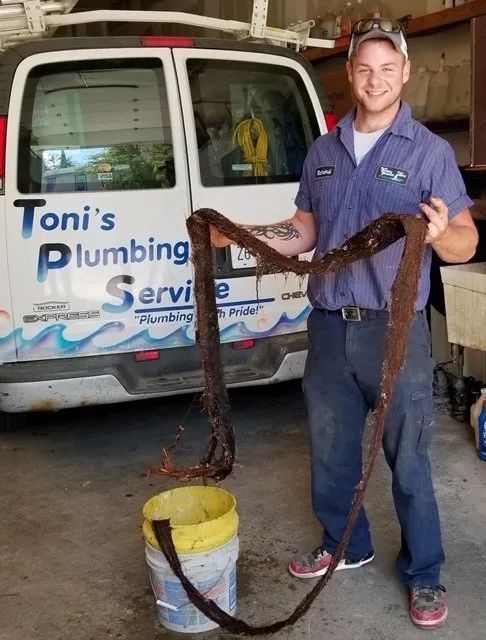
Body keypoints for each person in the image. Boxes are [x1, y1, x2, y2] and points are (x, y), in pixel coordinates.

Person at [211, 18, 479, 630]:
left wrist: (443, 235)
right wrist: (249, 236)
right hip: (330, 325)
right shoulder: (325, 151)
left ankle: (425, 573)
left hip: (395, 331)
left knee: (407, 457)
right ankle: (344, 544)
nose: (376, 79)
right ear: (350, 77)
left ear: (405, 73)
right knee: (331, 450)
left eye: (388, 68)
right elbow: (306, 229)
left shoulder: (429, 153)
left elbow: (465, 240)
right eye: (365, 69)